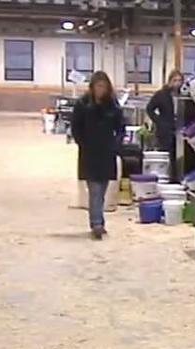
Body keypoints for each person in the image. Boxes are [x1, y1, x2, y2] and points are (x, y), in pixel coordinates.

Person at [71, 71, 125, 239]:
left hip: (107, 153)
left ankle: (97, 220)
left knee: (101, 191)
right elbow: (75, 127)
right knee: (94, 189)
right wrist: (83, 143)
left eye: (104, 86)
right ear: (92, 87)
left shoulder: (113, 105)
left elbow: (121, 127)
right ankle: (97, 224)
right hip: (90, 153)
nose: (101, 90)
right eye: (98, 86)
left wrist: (116, 145)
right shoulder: (82, 104)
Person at [146, 70, 184, 153]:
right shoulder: (161, 94)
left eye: (179, 80)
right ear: (170, 81)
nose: (177, 83)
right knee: (166, 152)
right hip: (165, 130)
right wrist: (159, 121)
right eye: (175, 80)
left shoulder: (184, 95)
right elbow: (149, 109)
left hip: (180, 129)